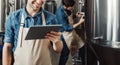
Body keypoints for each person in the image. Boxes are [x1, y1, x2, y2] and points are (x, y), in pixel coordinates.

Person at [2, 0, 63, 65]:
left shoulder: (51, 19)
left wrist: (57, 41)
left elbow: (58, 50)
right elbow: (8, 46)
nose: (39, 2)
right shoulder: (13, 18)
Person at [55, 0, 85, 65]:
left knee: (82, 47)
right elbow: (67, 28)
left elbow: (68, 18)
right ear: (66, 6)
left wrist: (75, 16)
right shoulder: (60, 13)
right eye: (72, 7)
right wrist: (80, 22)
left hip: (72, 33)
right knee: (65, 55)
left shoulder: (66, 9)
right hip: (65, 35)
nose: (73, 8)